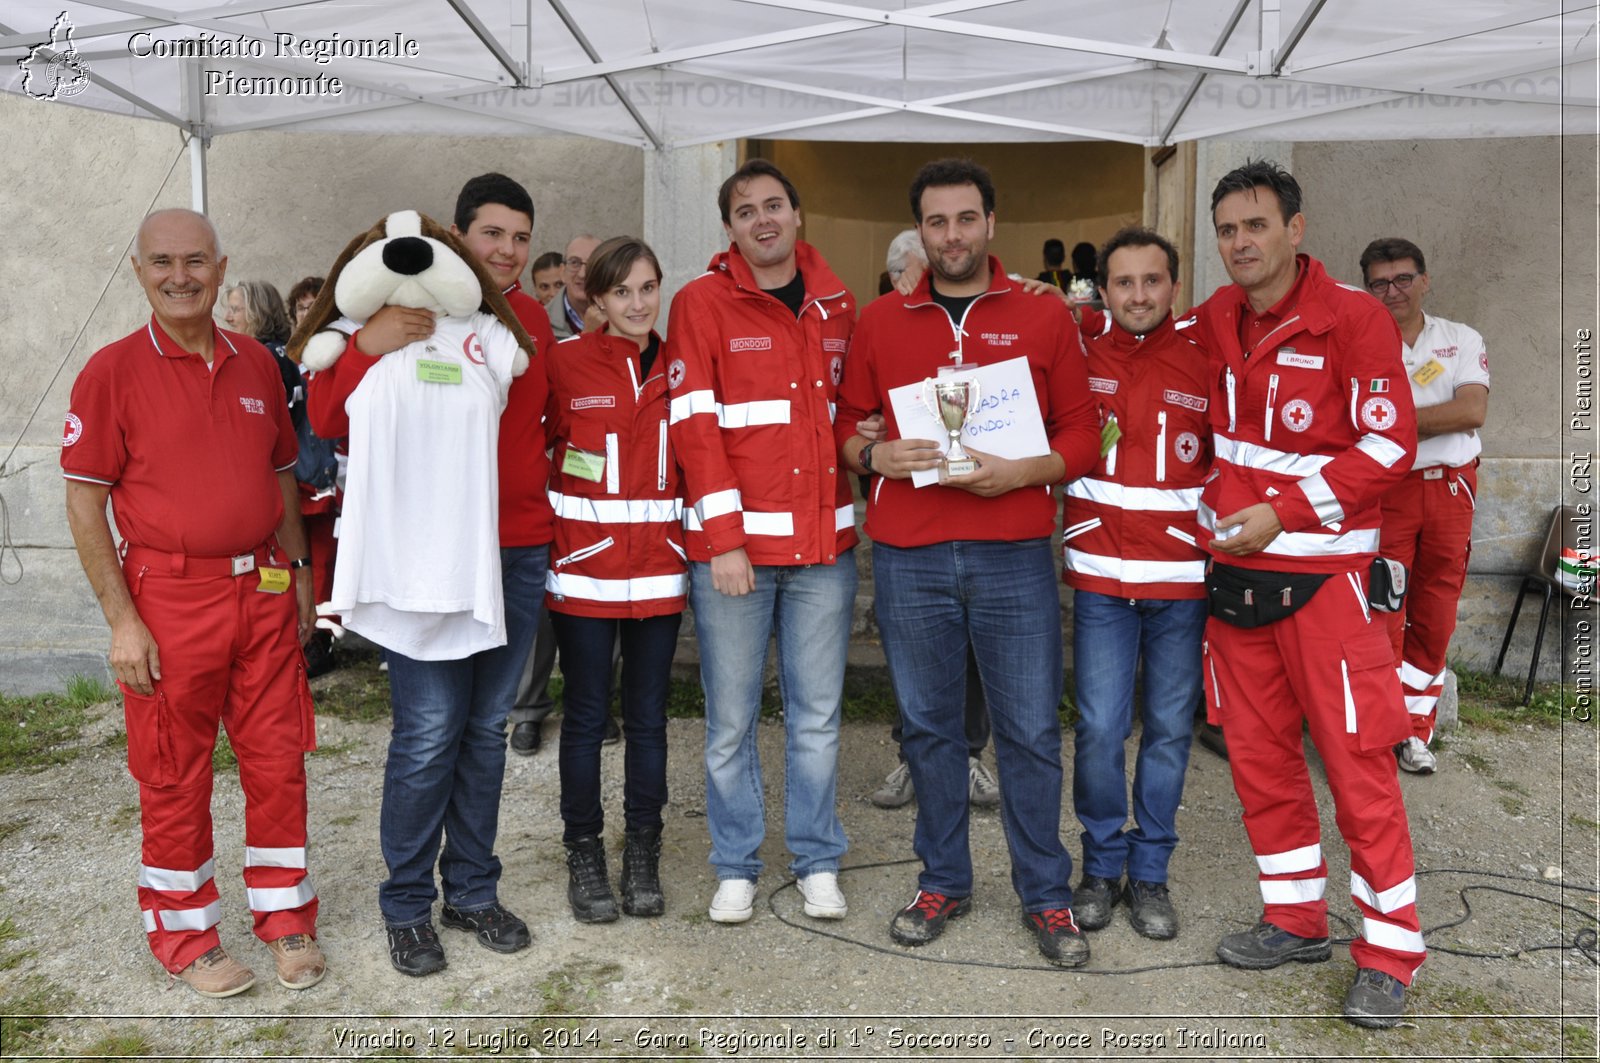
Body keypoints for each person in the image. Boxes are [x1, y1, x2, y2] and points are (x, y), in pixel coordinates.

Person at [836, 158, 1100, 966]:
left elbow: (1084, 433)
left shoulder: (1041, 315)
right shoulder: (880, 320)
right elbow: (847, 424)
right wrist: (869, 457)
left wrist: (1023, 471)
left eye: (965, 219)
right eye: (936, 221)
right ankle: (943, 878)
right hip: (911, 556)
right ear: (919, 229)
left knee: (1026, 731)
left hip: (1013, 552)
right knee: (927, 729)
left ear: (991, 222)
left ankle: (1047, 896)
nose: (951, 235)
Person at [62, 208, 324, 997]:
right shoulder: (110, 372)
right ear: (138, 269)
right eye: (164, 261)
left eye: (197, 261)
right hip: (170, 599)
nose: (182, 276)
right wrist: (122, 621)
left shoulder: (255, 364)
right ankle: (186, 935)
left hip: (265, 589)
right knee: (174, 772)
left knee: (278, 761)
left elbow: (282, 473)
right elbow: (83, 504)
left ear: (222, 267)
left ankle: (285, 917)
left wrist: (301, 572)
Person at [307, 173, 557, 977]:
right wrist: (370, 344)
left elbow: (552, 427)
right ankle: (407, 903)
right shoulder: (395, 313)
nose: (509, 251)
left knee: (486, 732)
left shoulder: (523, 325)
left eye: (521, 236)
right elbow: (322, 420)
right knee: (426, 734)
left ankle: (473, 890)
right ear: (456, 237)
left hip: (516, 552)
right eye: (493, 235)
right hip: (429, 555)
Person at [1194, 160, 1424, 1028]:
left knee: (1360, 769)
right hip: (1238, 586)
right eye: (1226, 229)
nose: (1240, 243)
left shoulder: (1356, 320)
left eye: (1255, 225)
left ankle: (1390, 952)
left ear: (1296, 228)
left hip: (1326, 587)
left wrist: (1282, 512)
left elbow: (1387, 447)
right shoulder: (1216, 317)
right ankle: (1294, 918)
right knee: (1260, 764)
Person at [667, 158, 859, 925]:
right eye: (745, 211)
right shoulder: (701, 303)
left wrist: (863, 432)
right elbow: (695, 429)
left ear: (798, 214)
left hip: (824, 553)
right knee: (731, 721)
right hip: (737, 557)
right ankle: (737, 863)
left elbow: (846, 410)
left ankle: (816, 858)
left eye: (774, 204)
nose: (762, 219)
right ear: (730, 229)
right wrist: (725, 542)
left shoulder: (839, 302)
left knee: (817, 718)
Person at [1063, 227, 1210, 941]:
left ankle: (1149, 872)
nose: (1139, 295)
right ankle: (1100, 866)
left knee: (1169, 733)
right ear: (1104, 291)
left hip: (1182, 582)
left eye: (1153, 281)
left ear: (1173, 288)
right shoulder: (1077, 354)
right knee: (1097, 730)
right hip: (1100, 577)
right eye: (1124, 283)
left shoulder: (1205, 361)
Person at [544, 237, 685, 923]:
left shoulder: (684, 367)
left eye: (647, 288)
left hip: (660, 571)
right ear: (596, 298)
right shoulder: (563, 362)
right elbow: (535, 449)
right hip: (585, 572)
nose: (636, 303)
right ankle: (584, 850)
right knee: (586, 717)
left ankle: (644, 851)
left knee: (650, 719)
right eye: (621, 291)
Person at [868, 229, 1000, 812]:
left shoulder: (986, 322)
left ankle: (969, 754)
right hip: (910, 522)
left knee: (971, 651)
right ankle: (911, 756)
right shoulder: (878, 323)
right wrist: (868, 437)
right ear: (899, 276)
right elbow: (853, 412)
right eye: (915, 272)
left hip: (982, 516)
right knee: (911, 652)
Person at [1361, 238, 1490, 775]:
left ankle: (1416, 732)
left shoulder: (1459, 338)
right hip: (1386, 491)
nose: (1393, 291)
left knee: (1435, 614)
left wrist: (1392, 420)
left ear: (1425, 280)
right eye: (1380, 282)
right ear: (1367, 286)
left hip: (1449, 492)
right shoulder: (1360, 340)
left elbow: (1472, 410)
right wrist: (1432, 413)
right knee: (1383, 609)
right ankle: (1382, 728)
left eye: (1403, 279)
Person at [550, 234, 601, 339]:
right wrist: (588, 334)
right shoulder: (541, 321)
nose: (582, 274)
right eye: (574, 262)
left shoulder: (621, 318)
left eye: (592, 264)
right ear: (562, 271)